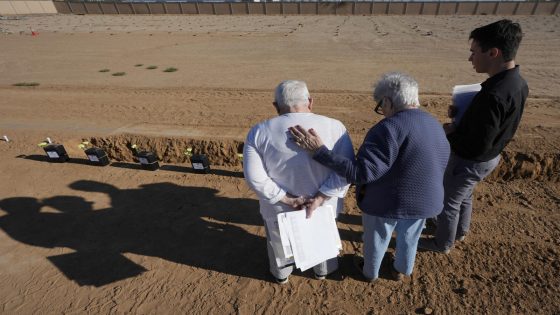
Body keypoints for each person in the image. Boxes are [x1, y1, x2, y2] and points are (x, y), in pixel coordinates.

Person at [289, 72, 450, 281]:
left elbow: (361, 173)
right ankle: (401, 269)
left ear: (388, 101)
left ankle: (370, 272)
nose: (381, 111)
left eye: (380, 106)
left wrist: (320, 152)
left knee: (377, 237)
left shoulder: (388, 128)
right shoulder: (434, 123)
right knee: (410, 237)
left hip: (386, 203)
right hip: (426, 200)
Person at [418, 19, 528, 254]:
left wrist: (451, 132)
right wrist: (464, 116)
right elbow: (496, 124)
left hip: (471, 159)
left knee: (448, 202)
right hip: (490, 157)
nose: (470, 58)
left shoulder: (494, 94)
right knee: (464, 195)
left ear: (493, 52)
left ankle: (442, 243)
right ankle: (460, 231)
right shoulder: (516, 83)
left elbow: (477, 144)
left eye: (474, 52)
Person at [243, 80, 354, 284]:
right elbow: (346, 170)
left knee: (278, 243)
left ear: (276, 106)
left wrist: (287, 199)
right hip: (325, 207)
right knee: (323, 239)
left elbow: (254, 177)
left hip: (278, 210)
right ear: (310, 102)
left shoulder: (258, 132)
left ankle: (281, 274)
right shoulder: (335, 127)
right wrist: (320, 197)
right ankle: (323, 271)